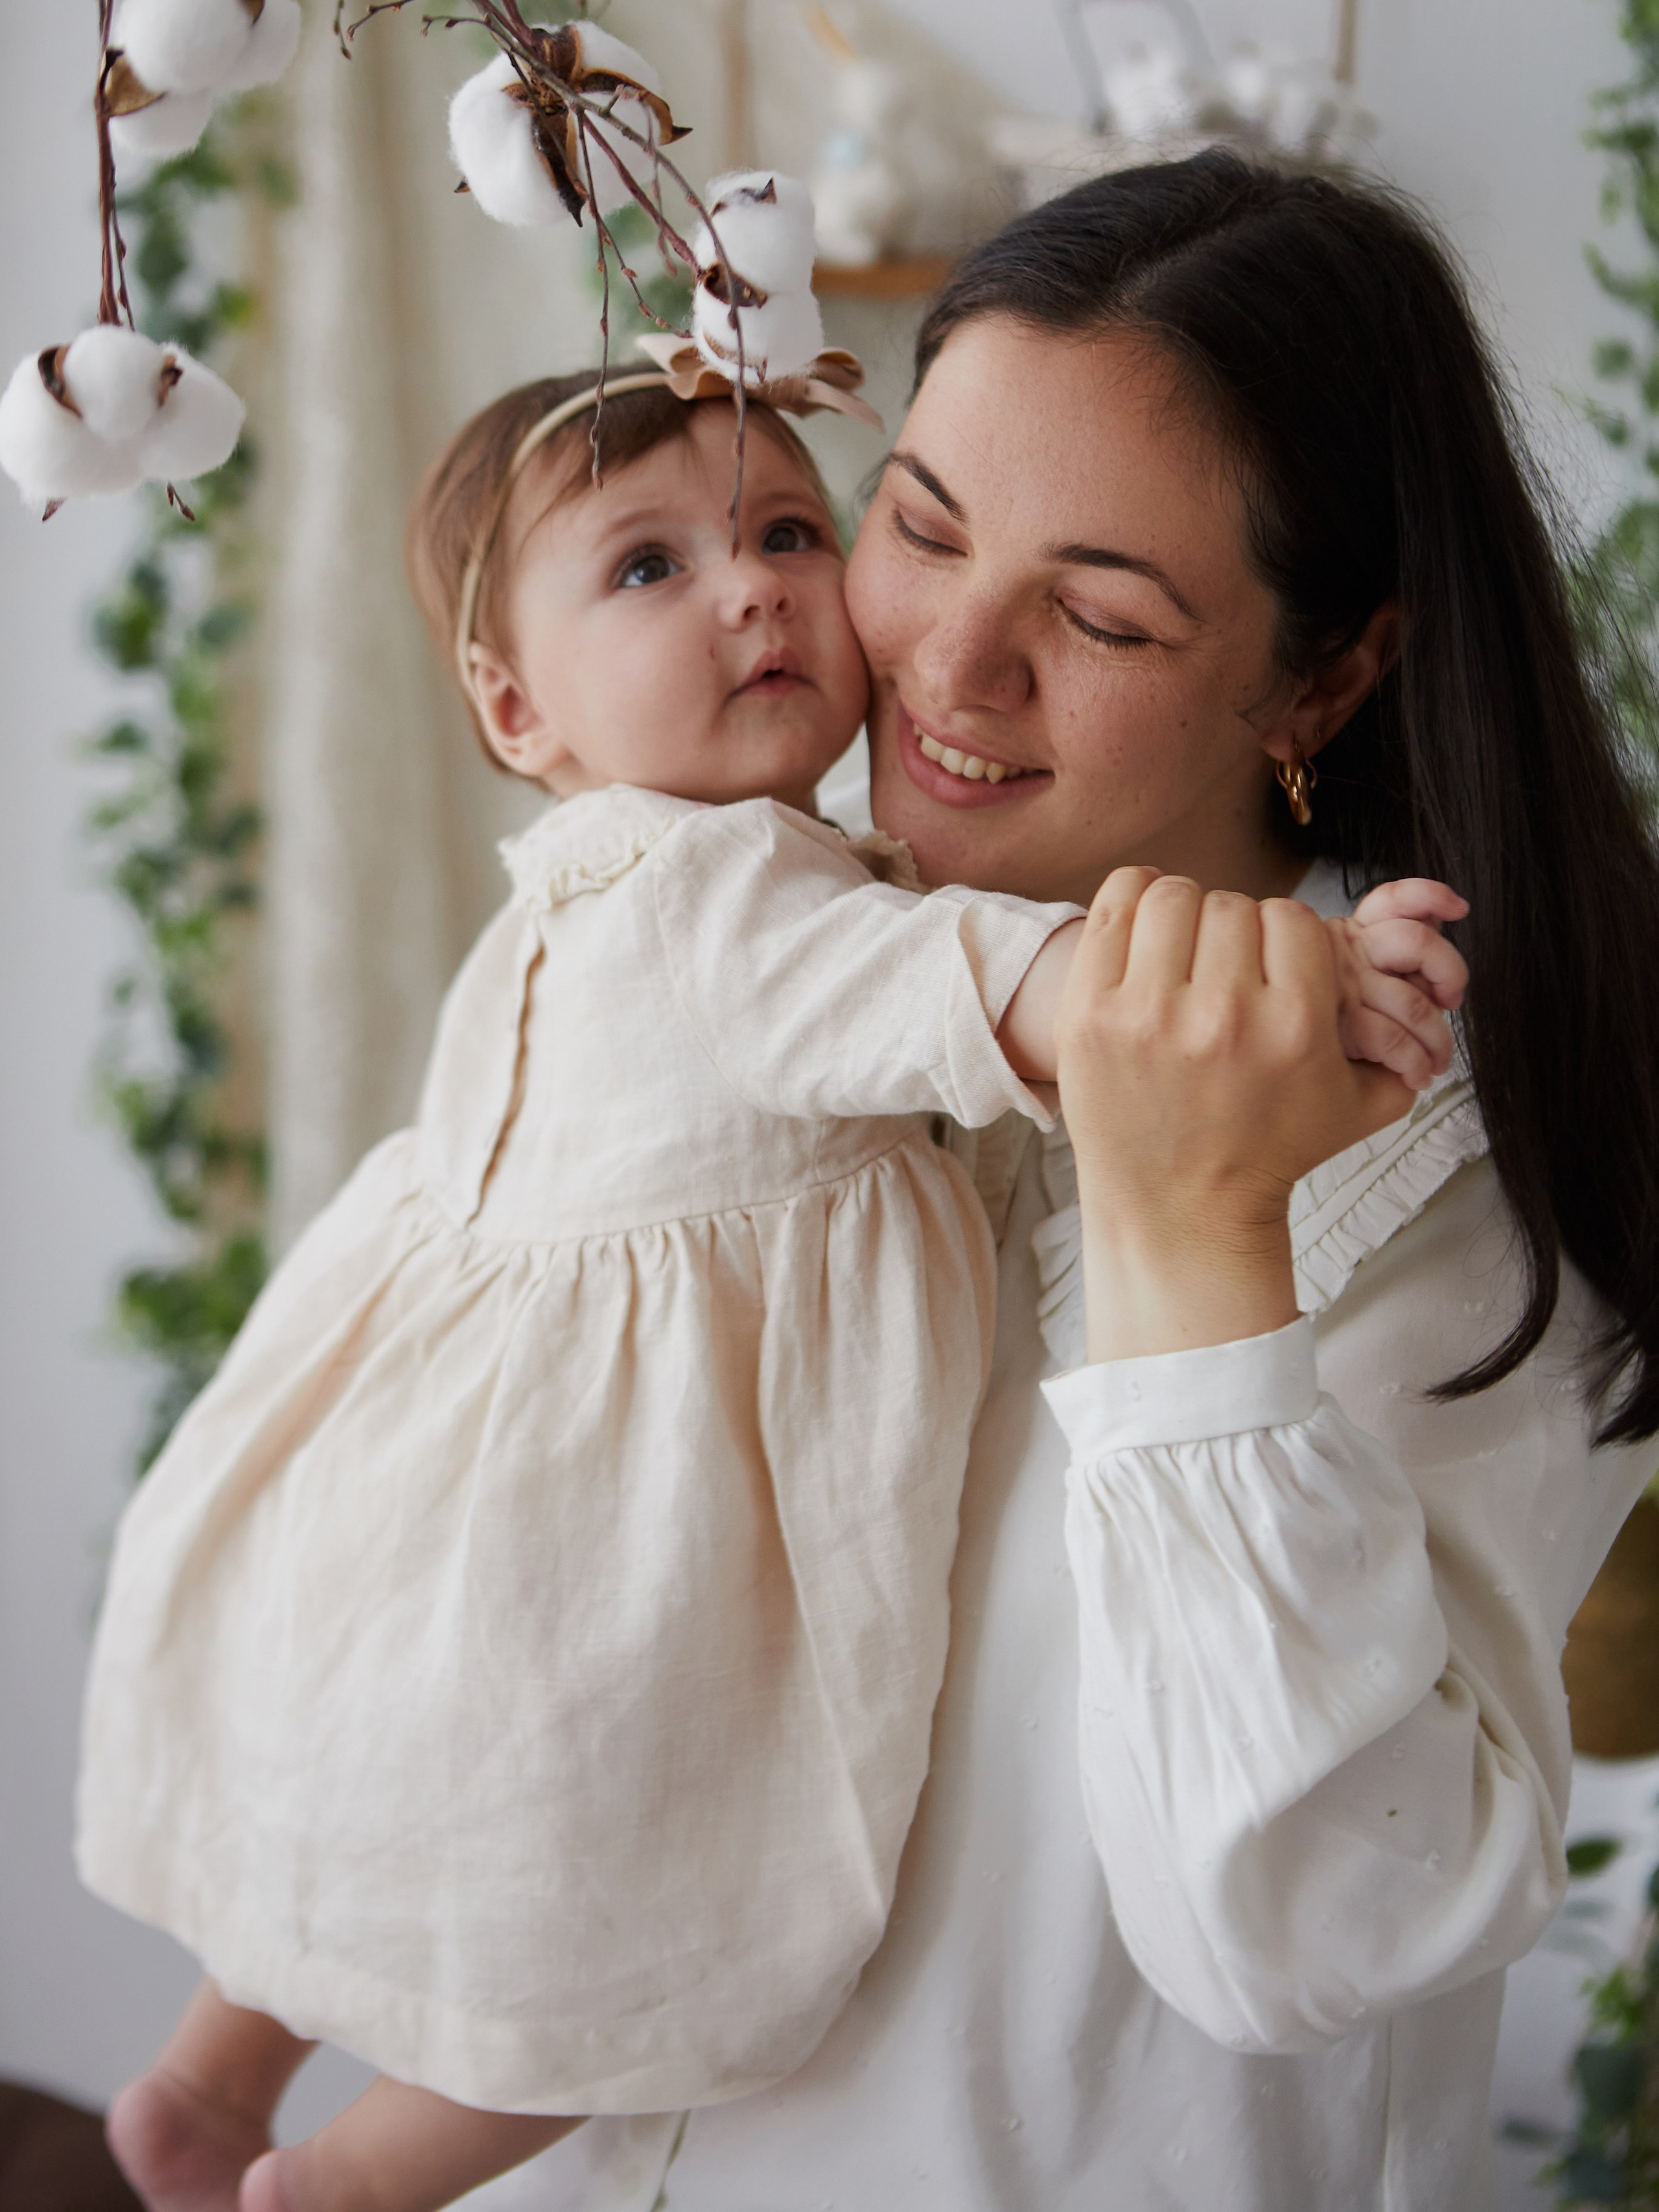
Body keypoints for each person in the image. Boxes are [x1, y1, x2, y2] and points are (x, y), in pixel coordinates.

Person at [78, 325, 1465, 2212]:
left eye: (793, 531)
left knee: (382, 1831)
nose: (755, 591)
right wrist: (1305, 976)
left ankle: (210, 2078)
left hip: (426, 1526)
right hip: (596, 1553)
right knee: (600, 1949)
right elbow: (1053, 996)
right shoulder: (725, 899)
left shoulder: (594, 878)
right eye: (650, 567)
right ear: (515, 707)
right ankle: (344, 2184)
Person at [500, 151, 1659, 2212]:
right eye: (920, 526)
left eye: (1101, 614)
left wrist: (1197, 1240)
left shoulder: (1462, 1192)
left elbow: (1301, 1941)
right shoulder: (792, 954)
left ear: (1323, 676)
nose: (948, 665)